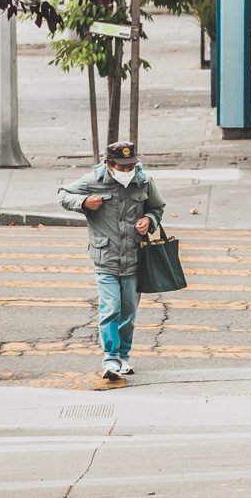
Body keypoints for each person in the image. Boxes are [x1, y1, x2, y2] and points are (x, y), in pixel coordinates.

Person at [58, 141, 165, 381]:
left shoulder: (144, 181)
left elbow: (157, 208)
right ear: (109, 164)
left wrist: (149, 220)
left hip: (134, 257)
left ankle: (123, 357)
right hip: (105, 258)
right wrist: (84, 203)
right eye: (122, 167)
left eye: (130, 166)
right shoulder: (93, 180)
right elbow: (63, 194)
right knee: (110, 309)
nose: (127, 171)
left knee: (128, 312)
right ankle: (110, 358)